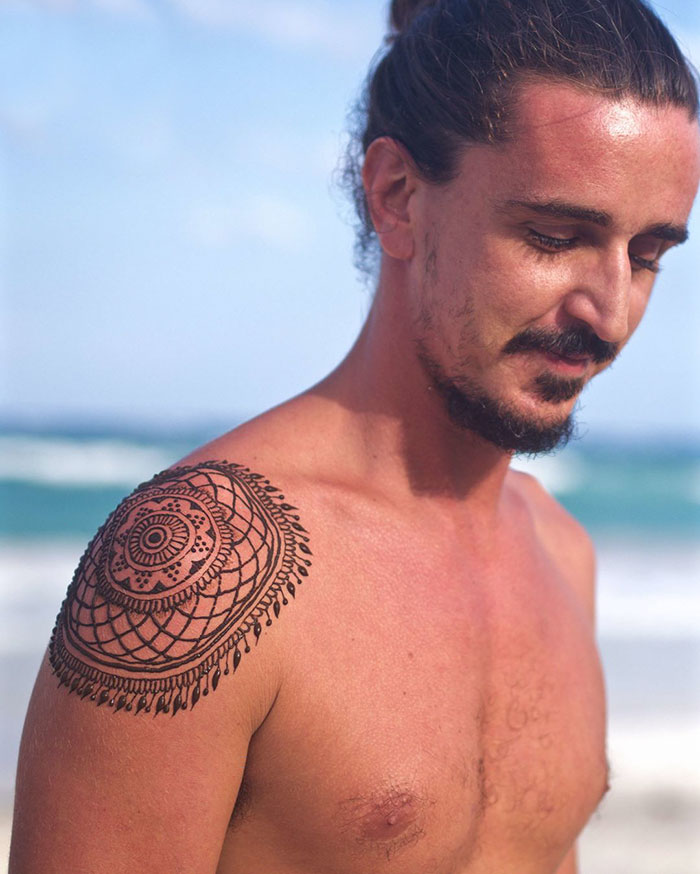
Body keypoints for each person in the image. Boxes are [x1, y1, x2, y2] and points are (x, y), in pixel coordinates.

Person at [9, 0, 700, 872]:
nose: (609, 312)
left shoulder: (563, 556)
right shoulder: (201, 566)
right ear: (398, 197)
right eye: (555, 237)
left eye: (647, 256)